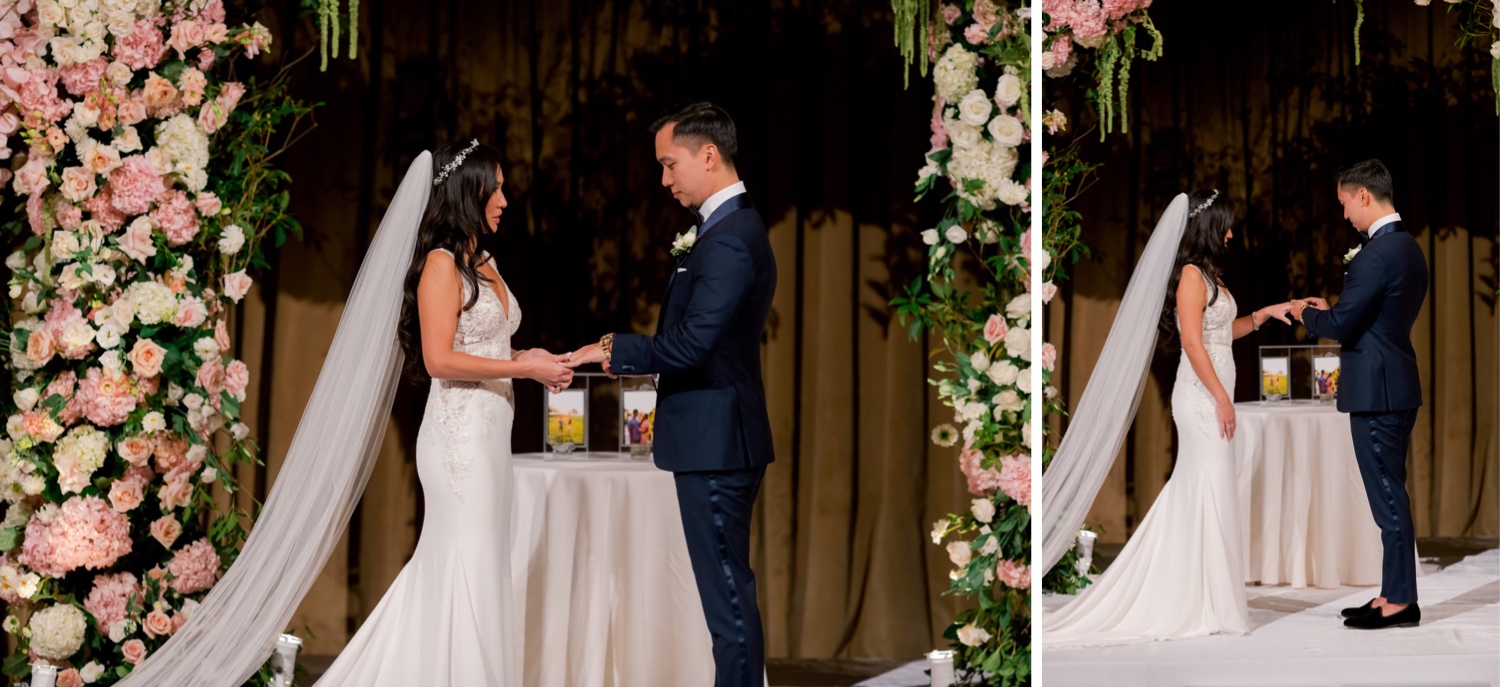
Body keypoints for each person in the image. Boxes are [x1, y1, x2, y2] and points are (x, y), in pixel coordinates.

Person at [316, 140, 572, 685]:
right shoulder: (440, 264)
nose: (505, 197)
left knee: (477, 563)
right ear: (469, 190)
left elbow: (489, 347)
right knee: (467, 560)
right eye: (496, 186)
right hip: (458, 440)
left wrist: (527, 356)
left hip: (490, 433)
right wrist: (524, 371)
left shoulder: (486, 260)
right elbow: (437, 358)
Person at [570, 102, 777, 686]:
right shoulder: (722, 229)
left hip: (718, 444)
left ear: (707, 155)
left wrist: (612, 349)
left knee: (728, 602)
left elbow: (692, 346)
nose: (664, 180)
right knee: (726, 596)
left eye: (669, 164)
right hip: (716, 438)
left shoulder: (731, 237)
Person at [1043, 189, 1295, 647]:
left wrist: (1263, 315)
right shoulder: (1191, 276)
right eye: (1226, 225)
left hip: (1212, 393)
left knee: (1206, 490)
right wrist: (1221, 397)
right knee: (1209, 486)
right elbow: (1194, 345)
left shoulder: (1209, 275)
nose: (1232, 233)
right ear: (1208, 228)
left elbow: (1221, 332)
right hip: (1200, 398)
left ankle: (1205, 595)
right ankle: (1200, 599)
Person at [1293, 159, 1428, 630]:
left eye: (1346, 204)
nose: (1346, 214)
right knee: (1390, 494)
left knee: (1388, 499)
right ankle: (1392, 591)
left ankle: (1401, 602)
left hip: (1378, 392)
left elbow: (1344, 325)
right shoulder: (1408, 248)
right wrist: (1336, 310)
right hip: (1396, 382)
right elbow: (1372, 318)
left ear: (1364, 196)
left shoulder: (1376, 254)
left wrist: (1305, 314)